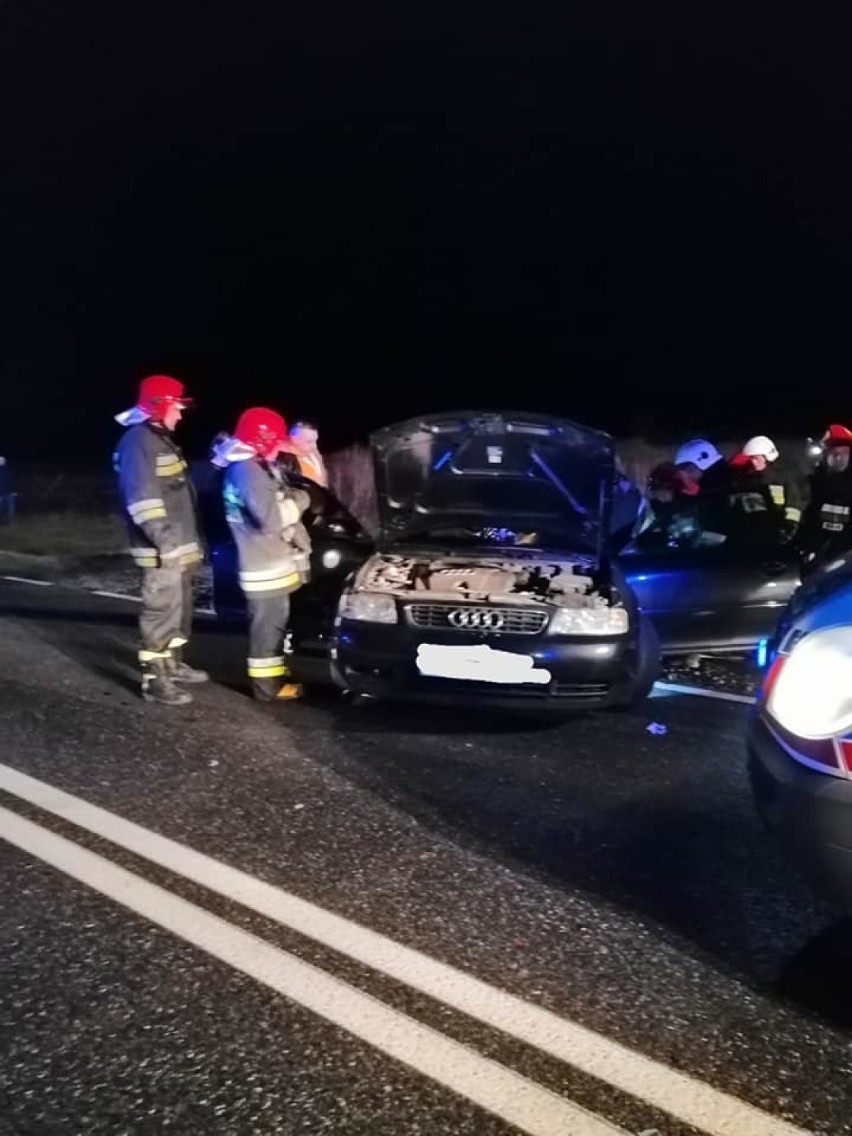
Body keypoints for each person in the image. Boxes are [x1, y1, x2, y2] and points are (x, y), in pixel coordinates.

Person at [113, 374, 208, 705]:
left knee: (178, 614)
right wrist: (165, 543)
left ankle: (173, 664)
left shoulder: (159, 439)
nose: (180, 414)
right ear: (159, 407)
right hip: (162, 551)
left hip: (177, 550)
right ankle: (155, 681)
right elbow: (142, 500)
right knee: (160, 614)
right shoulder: (137, 442)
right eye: (176, 407)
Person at [220, 407, 312, 701]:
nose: (278, 449)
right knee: (267, 630)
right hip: (264, 566)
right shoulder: (248, 472)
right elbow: (270, 519)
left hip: (262, 561)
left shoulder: (247, 467)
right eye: (275, 442)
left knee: (271, 626)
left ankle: (272, 677)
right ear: (262, 441)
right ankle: (267, 689)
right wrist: (301, 499)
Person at [799, 424, 852, 575]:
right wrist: (807, 547)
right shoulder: (817, 484)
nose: (838, 457)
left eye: (844, 452)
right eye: (833, 452)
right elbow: (811, 516)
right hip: (822, 554)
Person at [673, 438, 730, 538]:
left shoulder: (714, 496)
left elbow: (719, 535)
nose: (685, 476)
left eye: (689, 470)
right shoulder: (715, 491)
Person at [283, 420, 328, 487]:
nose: (315, 446)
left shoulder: (314, 453)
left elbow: (322, 477)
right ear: (293, 439)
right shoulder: (284, 460)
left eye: (315, 441)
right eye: (309, 442)